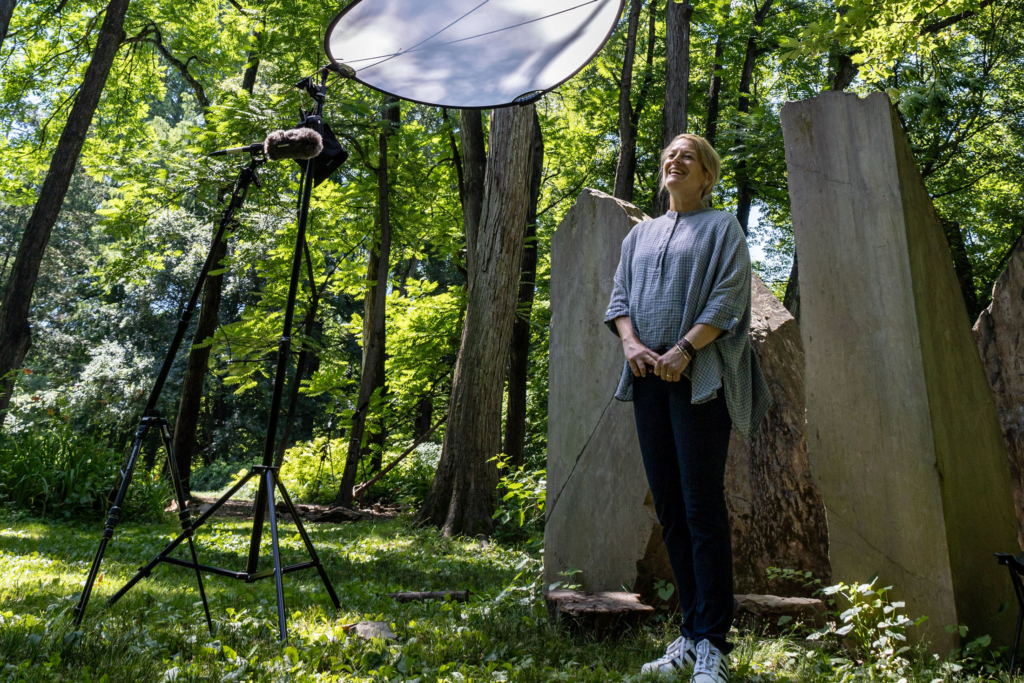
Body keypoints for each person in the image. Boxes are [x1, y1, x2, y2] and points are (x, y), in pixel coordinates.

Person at [604, 134, 771, 682]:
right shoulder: (641, 235)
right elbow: (620, 298)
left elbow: (727, 299)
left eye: (689, 157)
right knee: (670, 508)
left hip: (698, 379)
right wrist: (631, 344)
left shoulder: (723, 227)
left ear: (707, 177)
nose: (676, 161)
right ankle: (689, 634)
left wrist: (683, 350)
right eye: (670, 156)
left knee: (701, 507)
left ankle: (715, 645)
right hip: (648, 379)